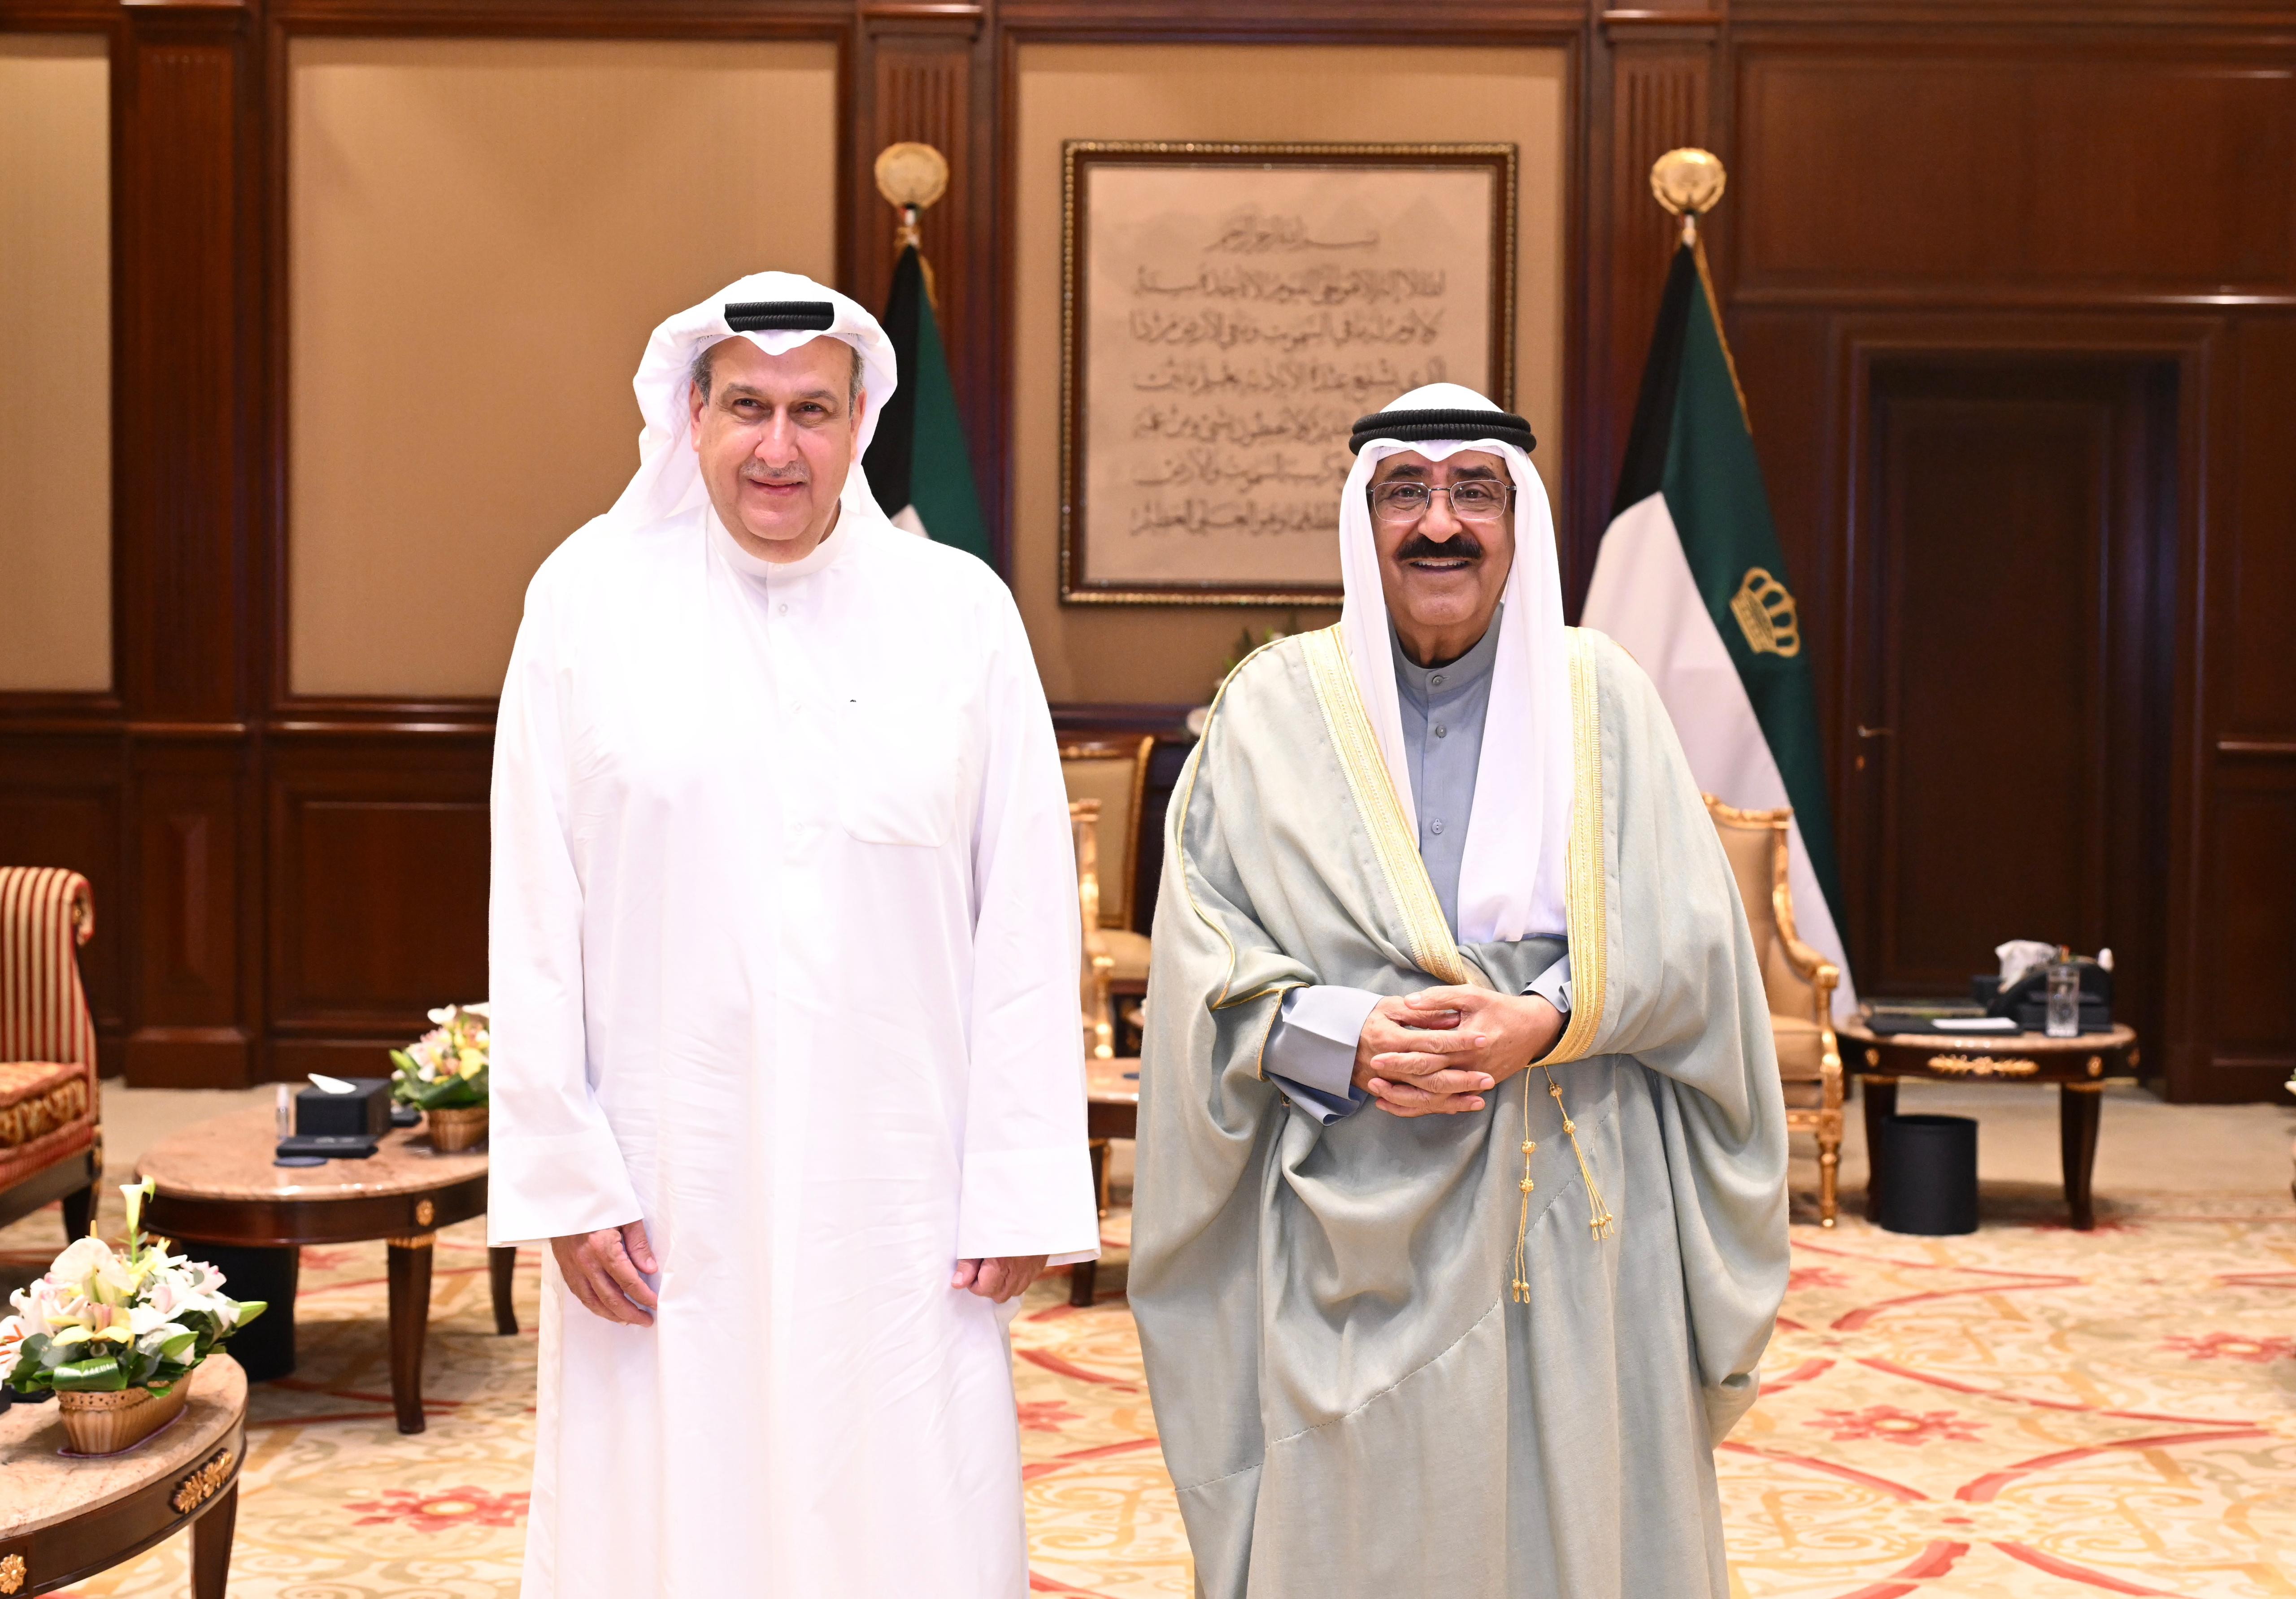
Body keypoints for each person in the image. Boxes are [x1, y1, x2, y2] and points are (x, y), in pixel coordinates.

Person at [487, 272, 1098, 1597]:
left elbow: (1026, 921)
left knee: (900, 1490)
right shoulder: (585, 603)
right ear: (690, 416)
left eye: (812, 411)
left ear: (861, 422)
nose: (779, 446)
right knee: (667, 1501)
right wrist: (565, 1178)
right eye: (748, 408)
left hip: (902, 1181)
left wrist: (1019, 1180)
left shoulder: (960, 613)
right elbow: (532, 908)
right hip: (664, 1172)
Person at [1129, 383, 1789, 1597]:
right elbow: (1201, 956)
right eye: (1407, 493)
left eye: (1474, 492)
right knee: (1360, 1514)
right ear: (1363, 519)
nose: (1441, 524)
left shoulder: (1603, 698)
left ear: (1517, 519)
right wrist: (1341, 1036)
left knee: (1570, 1514)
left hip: (1571, 1197)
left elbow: (1697, 942)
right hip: (1344, 1192)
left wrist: (1544, 1019)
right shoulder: (1270, 709)